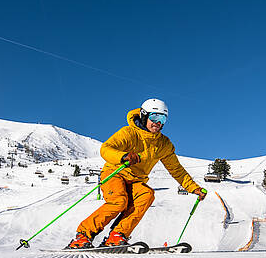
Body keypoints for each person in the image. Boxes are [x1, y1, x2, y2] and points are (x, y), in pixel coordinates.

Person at [66, 98, 207, 249]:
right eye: (154, 117)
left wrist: (193, 188)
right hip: (115, 172)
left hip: (136, 180)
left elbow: (176, 169)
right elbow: (106, 148)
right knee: (119, 201)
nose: (157, 123)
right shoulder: (129, 133)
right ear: (144, 116)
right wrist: (123, 156)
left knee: (146, 194)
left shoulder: (163, 144)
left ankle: (117, 235)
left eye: (162, 118)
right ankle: (83, 235)